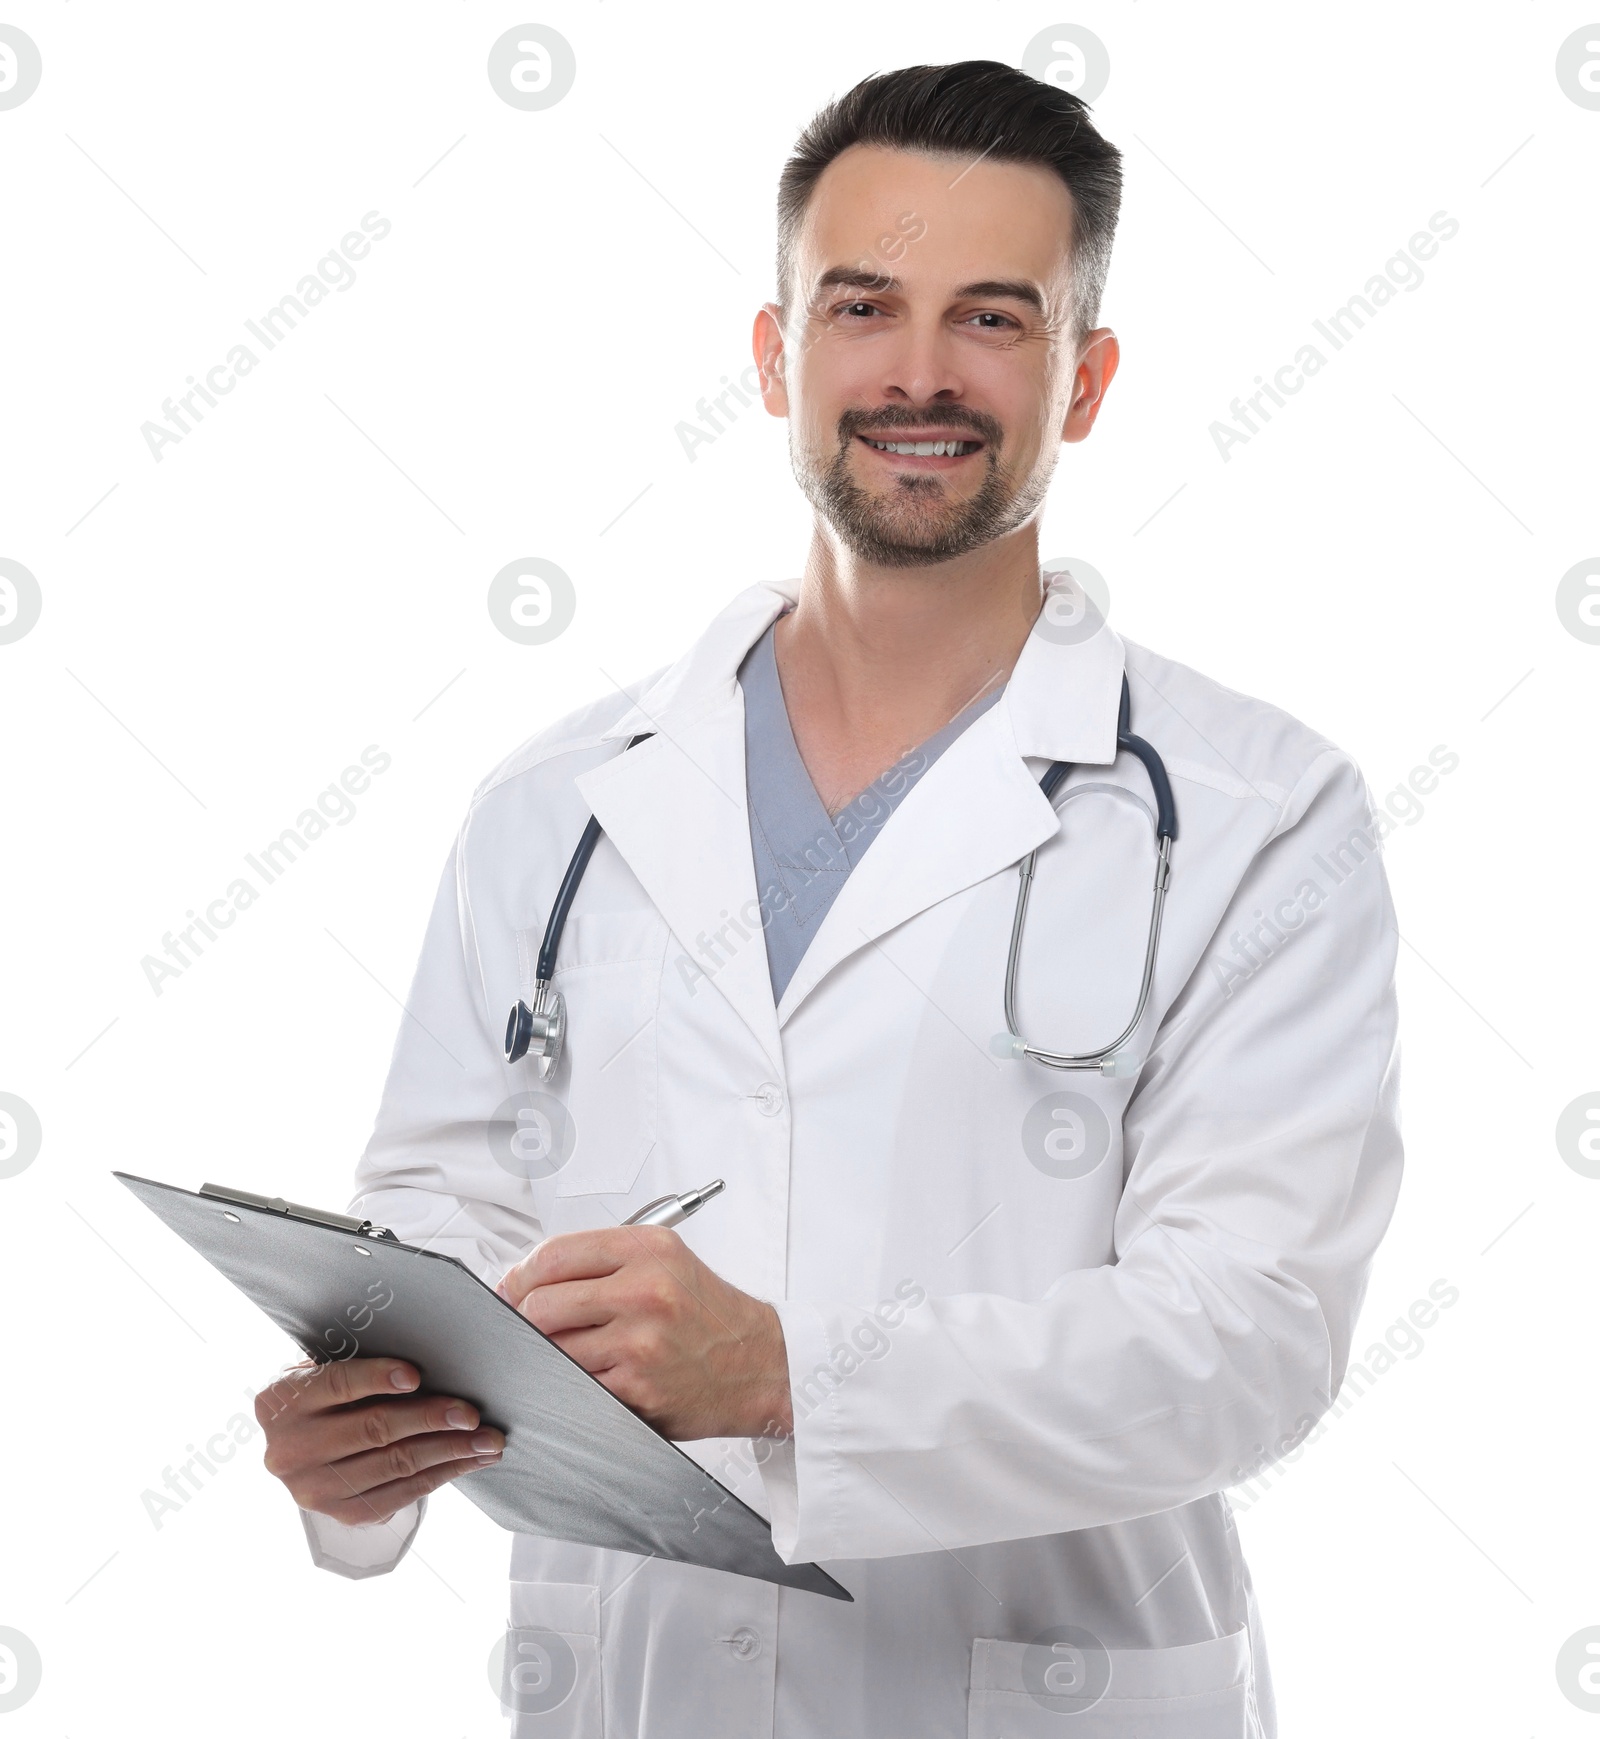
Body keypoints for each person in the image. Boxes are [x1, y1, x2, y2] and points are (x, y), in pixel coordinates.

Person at [256, 61, 1401, 1738]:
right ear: (775, 355)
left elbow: (1252, 1337)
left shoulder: (1255, 815)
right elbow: (442, 1229)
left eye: (994, 321)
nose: (919, 375)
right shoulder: (555, 805)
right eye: (862, 306)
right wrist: (358, 1452)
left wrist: (794, 1377)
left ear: (1081, 383)